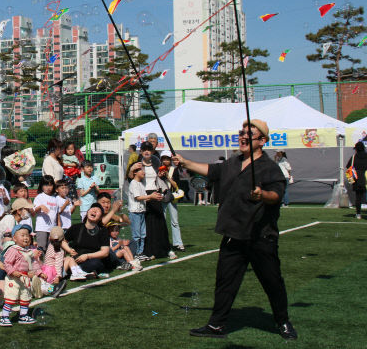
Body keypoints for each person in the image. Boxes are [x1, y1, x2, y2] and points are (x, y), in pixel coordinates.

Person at [174, 119, 297, 341]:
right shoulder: (232, 163)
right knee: (225, 282)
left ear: (262, 141)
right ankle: (216, 325)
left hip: (260, 236)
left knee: (272, 282)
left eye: (250, 134)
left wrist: (263, 195)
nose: (243, 136)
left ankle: (283, 321)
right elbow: (211, 170)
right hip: (233, 234)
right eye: (242, 132)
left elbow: (276, 195)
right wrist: (184, 162)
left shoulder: (270, 168)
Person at [0, 224, 41, 326]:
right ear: (14, 238)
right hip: (13, 279)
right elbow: (7, 263)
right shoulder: (13, 249)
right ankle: (4, 317)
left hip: (25, 278)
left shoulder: (28, 251)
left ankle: (23, 316)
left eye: (27, 235)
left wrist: (40, 273)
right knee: (11, 297)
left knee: (25, 297)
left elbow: (34, 264)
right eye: (22, 235)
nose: (26, 238)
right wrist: (13, 271)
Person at [62, 203, 111, 275]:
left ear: (100, 217)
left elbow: (105, 252)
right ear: (87, 212)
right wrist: (69, 250)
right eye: (92, 209)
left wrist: (87, 256)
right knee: (65, 260)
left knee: (96, 264)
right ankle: (78, 270)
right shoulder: (76, 227)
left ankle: (74, 270)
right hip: (76, 259)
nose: (94, 211)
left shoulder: (102, 231)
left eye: (97, 211)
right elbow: (63, 241)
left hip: (91, 259)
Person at [159, 150, 185, 252]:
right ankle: (163, 243)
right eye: (163, 159)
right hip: (162, 195)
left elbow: (176, 185)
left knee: (174, 221)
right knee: (162, 220)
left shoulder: (174, 170)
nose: (165, 161)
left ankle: (178, 243)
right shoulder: (159, 169)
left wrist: (168, 177)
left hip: (172, 196)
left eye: (167, 159)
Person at [127, 161, 150, 259]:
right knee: (136, 234)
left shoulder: (141, 184)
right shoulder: (133, 183)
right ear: (135, 172)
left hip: (141, 211)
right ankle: (135, 253)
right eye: (141, 171)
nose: (143, 173)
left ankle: (140, 252)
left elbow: (144, 197)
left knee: (143, 233)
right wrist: (150, 196)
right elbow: (138, 197)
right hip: (135, 212)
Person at [346, 142, 367, 220]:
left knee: (358, 197)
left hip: (356, 178)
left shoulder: (354, 157)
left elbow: (348, 167)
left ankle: (358, 214)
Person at [33, 176, 59, 251]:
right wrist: (40, 207)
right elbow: (34, 212)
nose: (48, 187)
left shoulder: (55, 198)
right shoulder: (39, 197)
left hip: (52, 228)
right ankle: (40, 262)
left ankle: (48, 262)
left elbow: (57, 215)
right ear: (41, 186)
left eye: (50, 185)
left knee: (51, 249)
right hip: (42, 228)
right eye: (46, 185)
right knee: (41, 249)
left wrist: (58, 227)